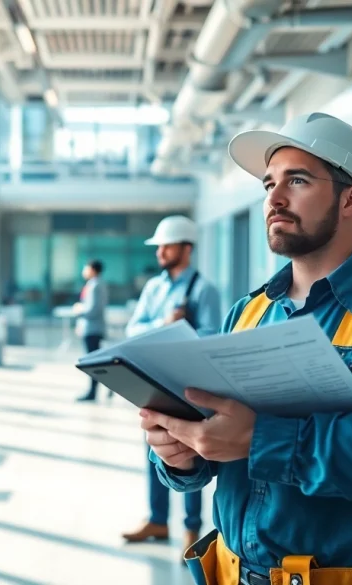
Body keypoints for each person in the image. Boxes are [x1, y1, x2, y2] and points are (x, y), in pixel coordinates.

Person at [140, 113, 352, 585]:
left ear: (351, 199)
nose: (274, 199)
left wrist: (260, 439)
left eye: (297, 180)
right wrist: (183, 454)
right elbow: (220, 446)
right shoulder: (249, 312)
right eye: (268, 184)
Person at [122, 215, 222, 553]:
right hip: (153, 382)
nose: (160, 252)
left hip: (188, 387)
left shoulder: (204, 290)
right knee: (156, 451)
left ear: (186, 248)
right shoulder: (154, 288)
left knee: (188, 454)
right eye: (159, 246)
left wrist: (186, 328)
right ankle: (157, 519)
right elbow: (132, 330)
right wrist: (165, 324)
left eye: (167, 245)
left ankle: (191, 529)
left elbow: (212, 337)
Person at [74, 259, 109, 402]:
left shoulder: (95, 285)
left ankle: (93, 392)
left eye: (86, 267)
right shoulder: (94, 284)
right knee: (94, 361)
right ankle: (98, 390)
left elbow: (93, 309)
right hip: (90, 328)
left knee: (93, 363)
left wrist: (79, 310)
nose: (84, 270)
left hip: (93, 329)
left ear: (93, 269)